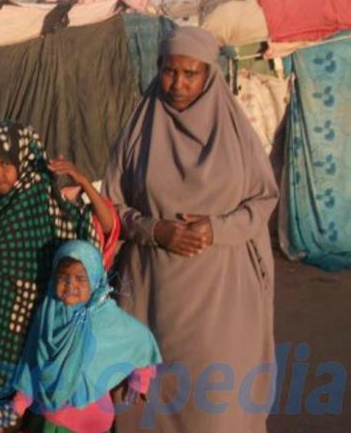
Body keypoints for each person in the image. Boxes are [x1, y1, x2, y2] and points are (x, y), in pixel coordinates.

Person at [103, 26, 278, 432]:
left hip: (223, 298)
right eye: (168, 71)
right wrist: (153, 230)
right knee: (152, 402)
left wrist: (218, 229)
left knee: (217, 404)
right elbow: (111, 205)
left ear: (209, 74)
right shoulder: (139, 129)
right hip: (153, 297)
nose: (177, 83)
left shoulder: (234, 133)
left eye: (190, 74)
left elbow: (263, 198)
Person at [0, 121, 120, 431]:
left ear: (23, 159)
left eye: (6, 164)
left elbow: (101, 227)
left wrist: (82, 180)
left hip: (38, 335)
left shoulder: (49, 204)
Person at [12, 240, 161, 433]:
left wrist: (140, 379)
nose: (70, 285)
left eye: (80, 279)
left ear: (95, 279)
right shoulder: (49, 312)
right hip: (48, 418)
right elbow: (33, 356)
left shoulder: (105, 317)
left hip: (91, 421)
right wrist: (22, 397)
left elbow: (141, 340)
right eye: (63, 277)